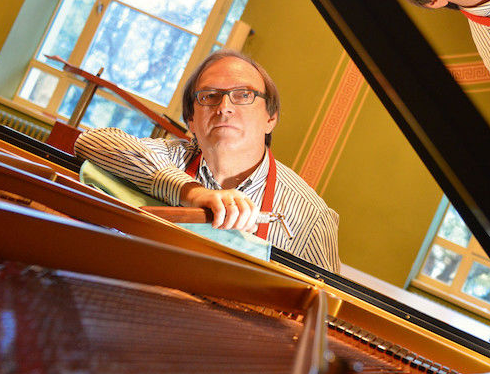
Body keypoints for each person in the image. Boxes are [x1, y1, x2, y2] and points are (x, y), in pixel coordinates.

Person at [74, 50, 341, 273]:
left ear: (270, 118)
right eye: (209, 96)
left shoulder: (311, 218)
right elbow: (92, 141)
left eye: (243, 95)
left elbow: (325, 315)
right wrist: (190, 192)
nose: (224, 106)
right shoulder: (167, 158)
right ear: (191, 119)